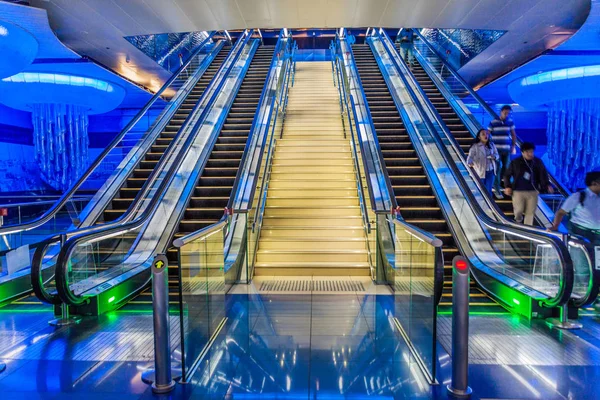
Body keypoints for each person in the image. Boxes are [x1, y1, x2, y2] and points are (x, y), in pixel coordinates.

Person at [504, 142, 553, 226]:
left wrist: (547, 185)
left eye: (532, 151)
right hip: (518, 191)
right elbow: (507, 175)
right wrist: (507, 186)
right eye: (528, 152)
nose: (531, 154)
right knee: (519, 210)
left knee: (530, 212)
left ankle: (528, 229)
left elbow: (543, 174)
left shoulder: (537, 162)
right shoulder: (515, 162)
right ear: (523, 152)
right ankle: (518, 221)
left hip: (533, 191)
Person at [549, 170, 600, 245]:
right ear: (594, 183)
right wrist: (555, 226)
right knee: (580, 256)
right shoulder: (578, 196)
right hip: (580, 233)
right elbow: (561, 212)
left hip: (598, 235)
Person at [488, 105, 517, 199]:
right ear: (501, 111)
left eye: (508, 113)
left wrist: (513, 146)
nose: (506, 114)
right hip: (496, 150)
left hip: (506, 150)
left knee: (506, 168)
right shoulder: (493, 122)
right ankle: (496, 187)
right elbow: (487, 134)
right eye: (505, 113)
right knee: (498, 167)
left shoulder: (510, 122)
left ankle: (506, 186)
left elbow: (513, 135)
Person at [467, 129, 498, 195]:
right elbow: (470, 157)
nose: (485, 135)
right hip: (479, 171)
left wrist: (494, 157)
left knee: (488, 190)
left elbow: (497, 154)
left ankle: (489, 205)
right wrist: (470, 163)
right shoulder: (475, 146)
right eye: (483, 134)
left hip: (490, 170)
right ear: (479, 137)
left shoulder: (492, 145)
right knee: (480, 191)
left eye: (486, 134)